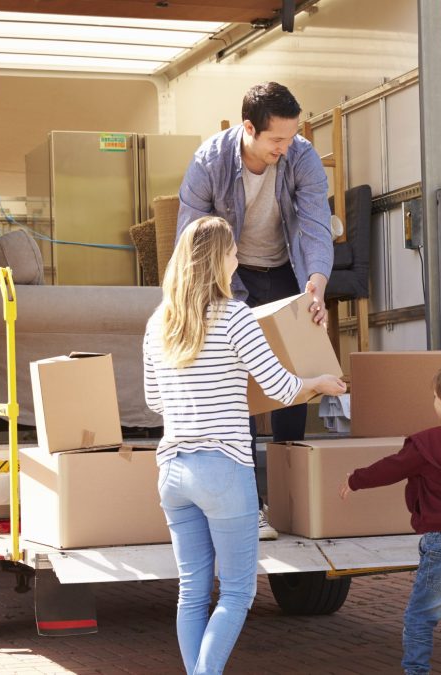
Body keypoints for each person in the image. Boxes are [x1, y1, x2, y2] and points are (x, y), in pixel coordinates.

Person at [144, 216, 345, 675]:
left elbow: (155, 400)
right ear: (218, 260)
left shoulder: (158, 323)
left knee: (193, 590)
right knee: (237, 592)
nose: (238, 259)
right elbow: (278, 386)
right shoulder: (235, 317)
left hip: (173, 470)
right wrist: (319, 383)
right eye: (233, 252)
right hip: (224, 468)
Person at [177, 81, 334, 541]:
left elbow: (314, 225)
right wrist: (215, 301)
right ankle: (248, 504)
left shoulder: (300, 156)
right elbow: (192, 239)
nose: (286, 148)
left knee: (293, 374)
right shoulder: (209, 162)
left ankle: (289, 498)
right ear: (249, 129)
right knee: (238, 380)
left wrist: (317, 284)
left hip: (287, 270)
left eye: (291, 137)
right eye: (276, 140)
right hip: (230, 275)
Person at [339, 364, 441, 675]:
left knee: (421, 616)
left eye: (434, 397)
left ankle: (416, 671)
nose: (433, 402)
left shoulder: (427, 443)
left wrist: (356, 479)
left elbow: (392, 468)